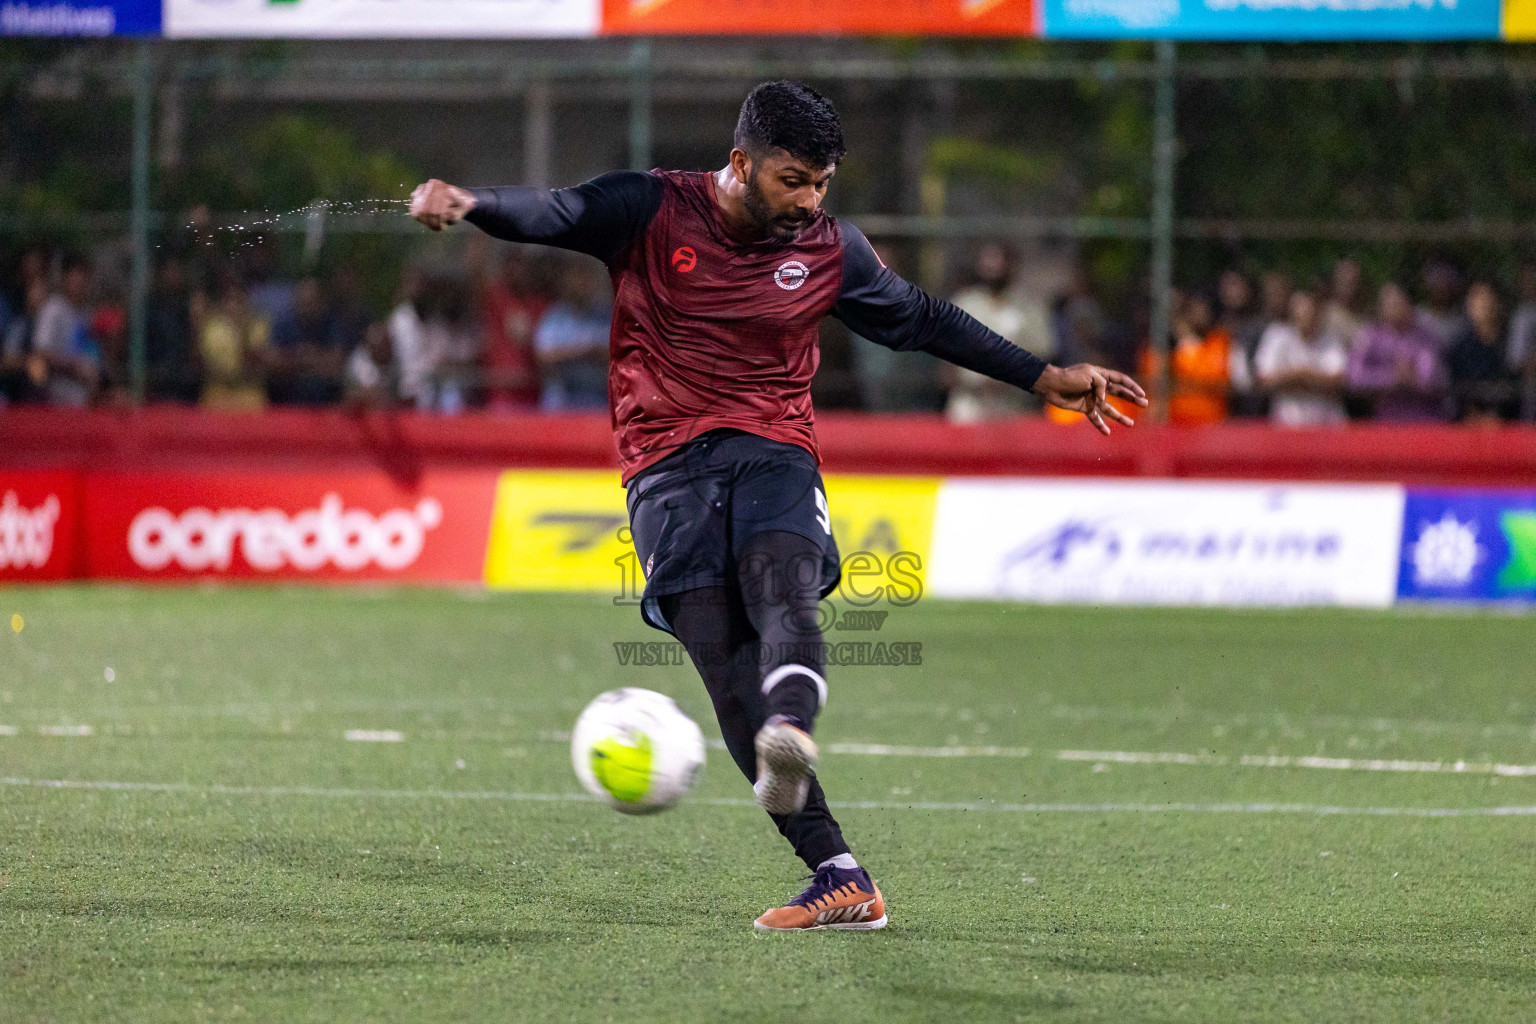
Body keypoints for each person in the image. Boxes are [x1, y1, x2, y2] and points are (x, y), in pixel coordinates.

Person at [409, 80, 1144, 932]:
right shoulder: (651, 208)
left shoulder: (832, 250)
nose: (810, 201)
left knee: (779, 586)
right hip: (663, 466)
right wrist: (471, 205)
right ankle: (838, 873)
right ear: (740, 163)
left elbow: (922, 319)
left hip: (772, 447)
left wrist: (1047, 376)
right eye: (794, 180)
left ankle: (792, 728)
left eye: (822, 183)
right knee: (723, 665)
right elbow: (558, 212)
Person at [944, 242, 1052, 422]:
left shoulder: (1030, 308)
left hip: (1014, 410)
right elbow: (945, 366)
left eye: (998, 259)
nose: (993, 266)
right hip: (969, 408)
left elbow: (1045, 357)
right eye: (988, 260)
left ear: (1012, 264)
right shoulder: (964, 303)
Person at [1347, 282, 1450, 422]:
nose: (1394, 308)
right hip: (1386, 421)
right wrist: (1390, 377)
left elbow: (1433, 379)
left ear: (1409, 304)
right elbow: (1355, 378)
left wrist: (1411, 379)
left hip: (1425, 420)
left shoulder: (1425, 338)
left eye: (1398, 303)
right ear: (1381, 307)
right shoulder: (1370, 336)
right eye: (1389, 304)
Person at [1253, 287, 1349, 427]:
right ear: (1292, 310)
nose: (1306, 314)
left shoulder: (1332, 340)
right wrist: (1304, 376)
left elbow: (1339, 380)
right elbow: (1264, 379)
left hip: (1327, 425)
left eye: (1311, 309)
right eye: (1301, 309)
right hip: (1286, 425)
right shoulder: (1275, 336)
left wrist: (1300, 376)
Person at [532, 259, 611, 411]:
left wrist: (570, 352)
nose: (581, 283)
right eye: (576, 278)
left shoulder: (604, 316)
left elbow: (617, 353)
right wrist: (584, 351)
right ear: (567, 282)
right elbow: (543, 356)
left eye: (585, 278)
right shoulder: (554, 316)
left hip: (597, 401)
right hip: (561, 402)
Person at [197, 271, 270, 412]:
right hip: (217, 396)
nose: (235, 305)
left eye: (239, 299)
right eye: (230, 299)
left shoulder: (259, 325)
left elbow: (257, 368)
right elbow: (209, 368)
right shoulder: (212, 328)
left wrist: (243, 331)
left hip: (251, 396)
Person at [31, 260, 101, 408]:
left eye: (83, 279)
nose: (79, 283)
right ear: (65, 279)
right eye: (75, 278)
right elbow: (41, 351)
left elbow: (90, 350)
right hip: (57, 397)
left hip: (84, 396)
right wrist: (74, 367)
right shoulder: (53, 309)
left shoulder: (85, 313)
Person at [1446, 281, 1516, 423]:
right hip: (1469, 422)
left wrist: (1497, 418)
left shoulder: (1510, 343)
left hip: (1508, 421)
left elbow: (1515, 383)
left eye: (1488, 299)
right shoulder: (1460, 348)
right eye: (1478, 300)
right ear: (1469, 306)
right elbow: (1456, 388)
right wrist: (1476, 417)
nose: (1485, 305)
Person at [1322, 258, 1368, 347]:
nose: (1347, 285)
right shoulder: (1324, 313)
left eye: (1353, 282)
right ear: (1336, 280)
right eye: (1343, 280)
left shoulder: (1366, 317)